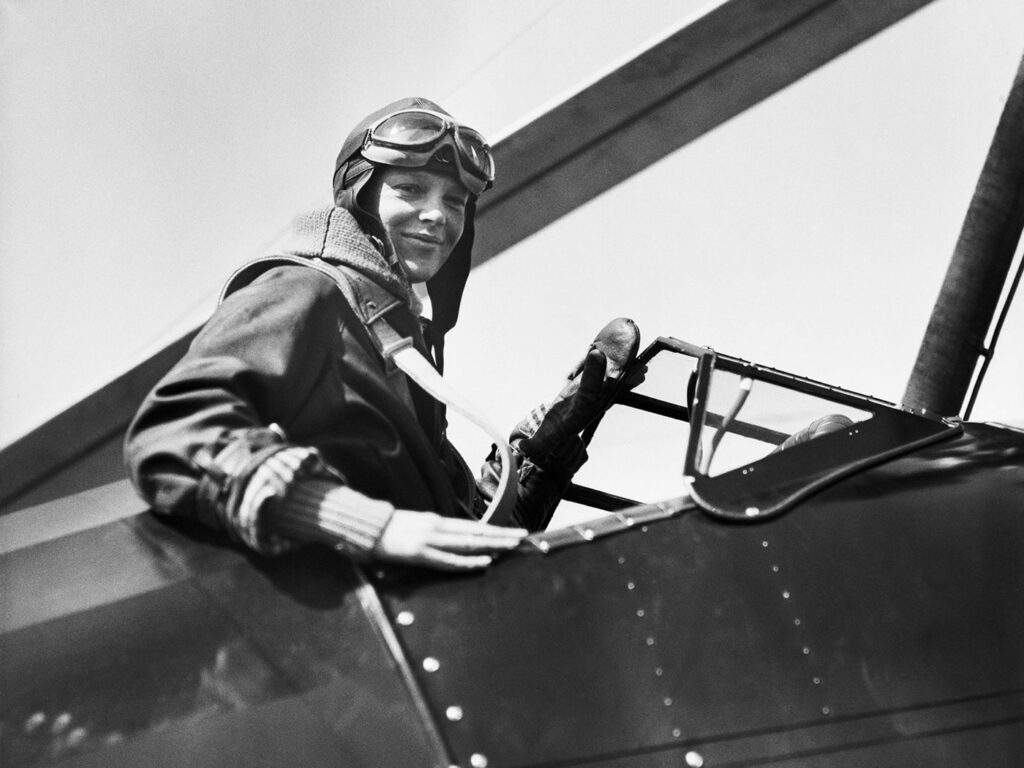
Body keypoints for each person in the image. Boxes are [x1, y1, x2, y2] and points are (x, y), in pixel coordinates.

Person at [124, 97, 641, 572]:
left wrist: (540, 459)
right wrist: (369, 526)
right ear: (362, 197)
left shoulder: (395, 347)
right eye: (410, 189)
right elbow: (173, 430)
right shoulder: (307, 291)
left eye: (456, 201)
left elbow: (463, 535)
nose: (438, 214)